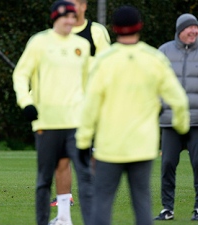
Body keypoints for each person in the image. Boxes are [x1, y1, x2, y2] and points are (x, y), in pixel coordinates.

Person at [75, 5, 190, 225]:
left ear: (114, 28)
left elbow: (90, 106)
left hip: (109, 147)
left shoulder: (104, 60)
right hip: (142, 146)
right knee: (142, 203)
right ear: (140, 26)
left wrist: (82, 141)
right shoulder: (154, 58)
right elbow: (178, 99)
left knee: (102, 202)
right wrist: (182, 126)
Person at [12, 1, 93, 224]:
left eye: (73, 17)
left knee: (85, 179)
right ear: (55, 18)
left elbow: (88, 85)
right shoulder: (39, 42)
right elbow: (20, 75)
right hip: (46, 124)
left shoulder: (82, 45)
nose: (70, 21)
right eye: (66, 17)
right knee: (44, 181)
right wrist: (26, 102)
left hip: (76, 123)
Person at [50, 0, 110, 208]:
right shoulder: (56, 33)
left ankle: (93, 193)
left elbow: (107, 67)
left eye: (75, 3)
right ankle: (64, 199)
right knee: (62, 157)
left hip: (90, 106)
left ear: (84, 6)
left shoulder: (96, 32)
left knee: (91, 154)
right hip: (63, 107)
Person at [154, 13, 198, 221]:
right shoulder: (163, 51)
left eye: (196, 28)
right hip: (170, 121)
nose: (194, 31)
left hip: (197, 122)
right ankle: (167, 208)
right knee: (168, 165)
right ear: (180, 30)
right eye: (190, 28)